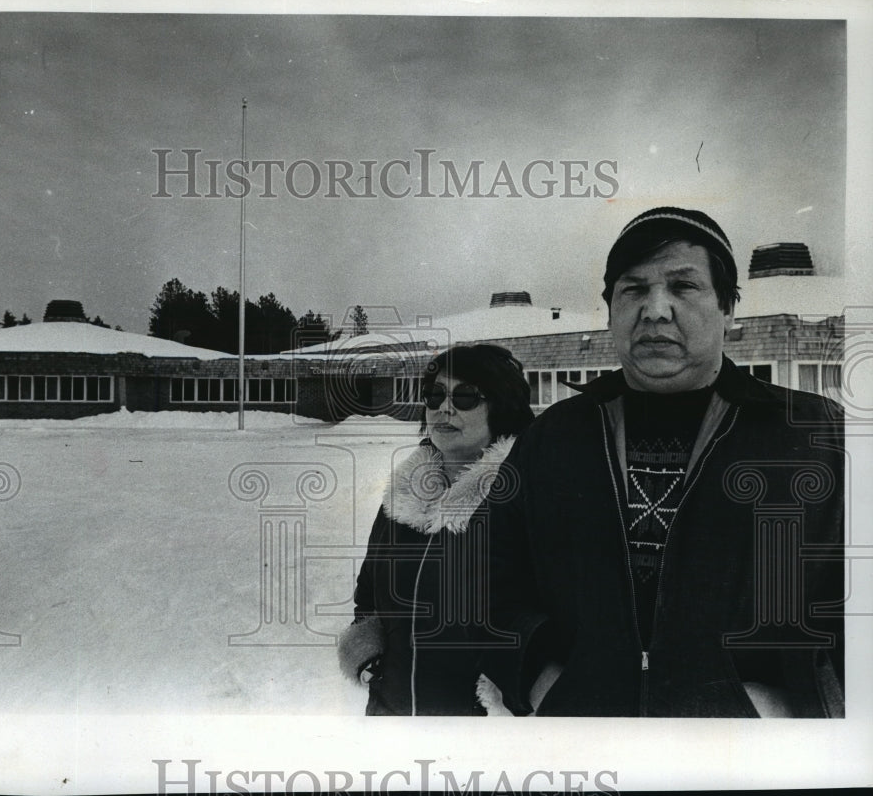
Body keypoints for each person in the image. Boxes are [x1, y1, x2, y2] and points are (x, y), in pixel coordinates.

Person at [479, 207, 845, 717]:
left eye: (683, 286)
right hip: (587, 746)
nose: (655, 310)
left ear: (727, 310)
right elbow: (481, 575)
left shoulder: (815, 435)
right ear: (610, 311)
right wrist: (539, 678)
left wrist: (795, 702)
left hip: (748, 760)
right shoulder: (554, 436)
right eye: (633, 289)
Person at [337, 344, 534, 715]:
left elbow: (546, 615)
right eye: (435, 395)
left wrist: (510, 693)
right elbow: (369, 591)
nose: (444, 407)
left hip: (479, 735)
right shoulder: (402, 493)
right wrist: (368, 659)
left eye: (465, 397)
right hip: (390, 717)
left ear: (502, 407)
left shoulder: (522, 498)